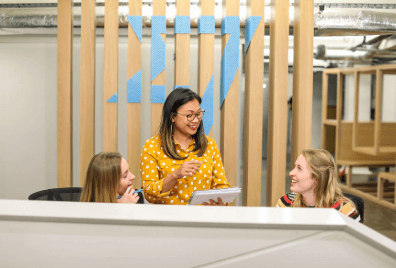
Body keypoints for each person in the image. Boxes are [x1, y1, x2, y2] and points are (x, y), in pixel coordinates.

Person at [140, 87, 231, 205]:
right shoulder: (152, 146)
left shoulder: (210, 145)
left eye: (198, 114)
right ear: (172, 116)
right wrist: (175, 175)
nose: (196, 120)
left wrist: (221, 201)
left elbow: (221, 185)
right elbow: (149, 194)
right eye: (189, 115)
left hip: (202, 219)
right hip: (168, 220)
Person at [276, 149, 363, 223]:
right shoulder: (285, 203)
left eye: (299, 168)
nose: (291, 173)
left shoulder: (343, 211)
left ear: (317, 177)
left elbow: (359, 242)